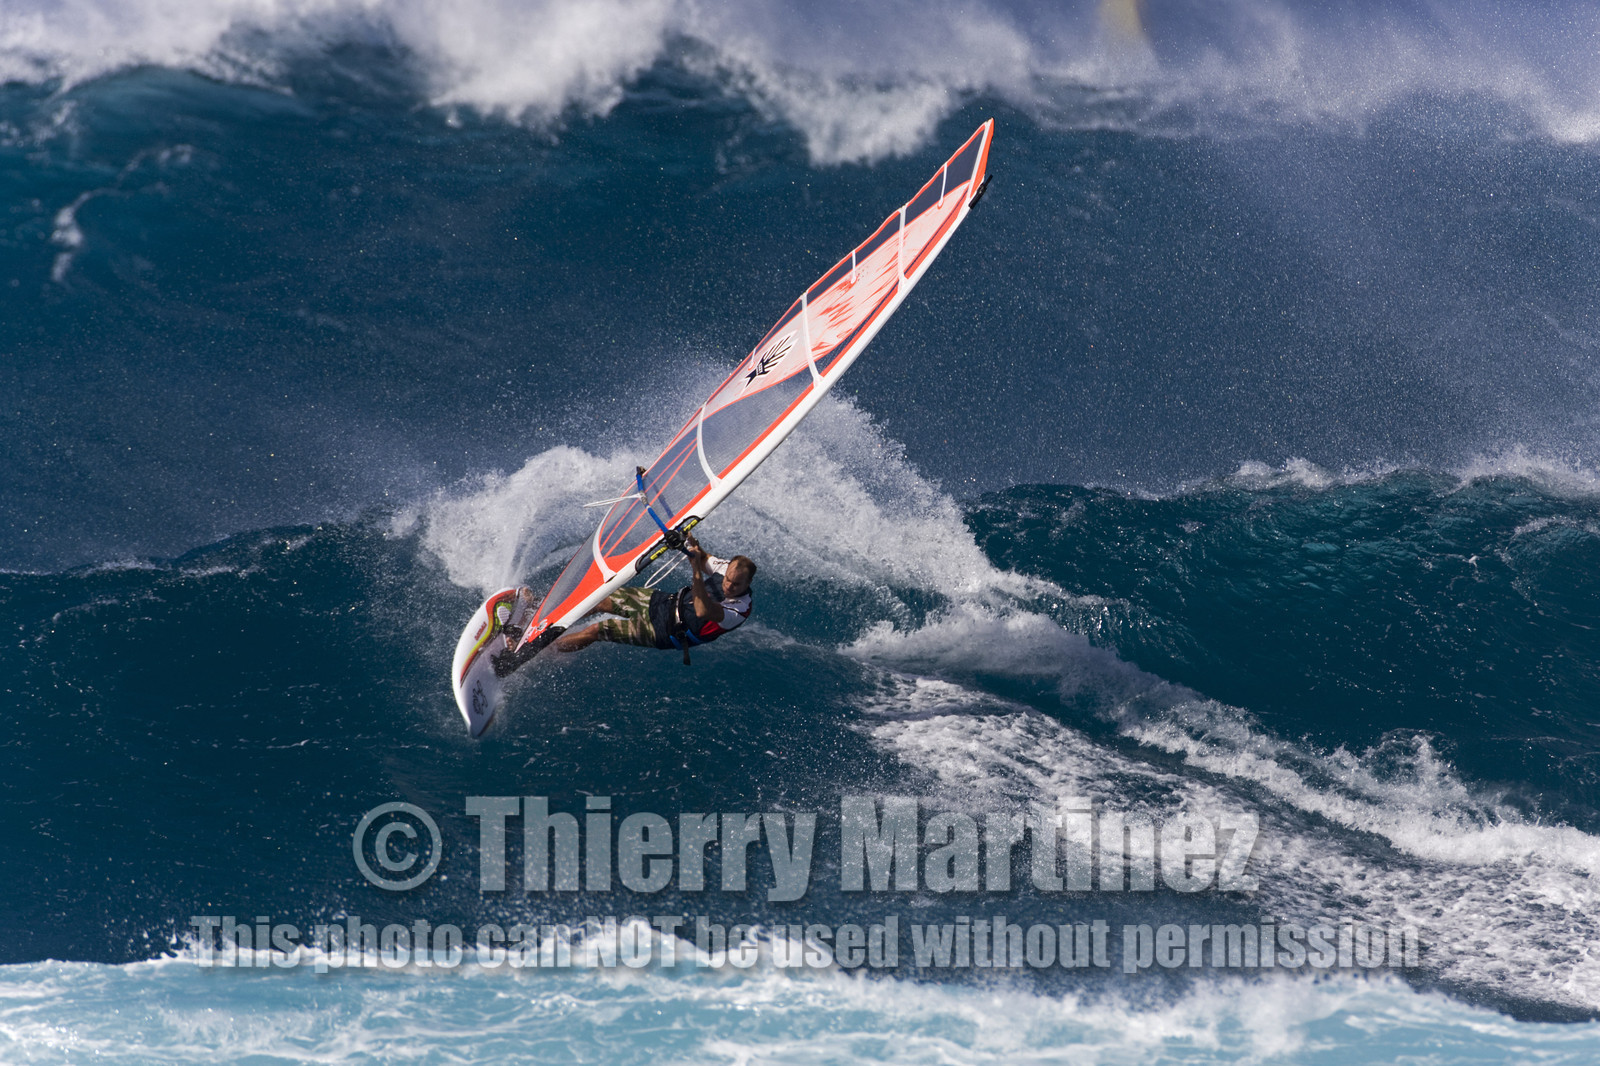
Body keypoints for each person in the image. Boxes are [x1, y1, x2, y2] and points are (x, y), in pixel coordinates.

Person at [552, 536, 755, 660]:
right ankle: (551, 620)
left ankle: (545, 650)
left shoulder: (739, 609)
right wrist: (690, 541)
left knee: (597, 630)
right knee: (598, 600)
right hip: (664, 603)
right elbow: (702, 557)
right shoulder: (726, 567)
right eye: (728, 579)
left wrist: (696, 572)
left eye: (736, 584)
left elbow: (702, 610)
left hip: (667, 631)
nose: (728, 586)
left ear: (748, 584)